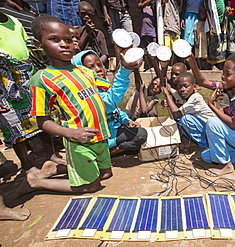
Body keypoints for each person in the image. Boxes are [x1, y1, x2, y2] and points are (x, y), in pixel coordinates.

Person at [20, 15, 112, 195]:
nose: (64, 44)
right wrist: (71, 133)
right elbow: (42, 121)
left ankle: (55, 169)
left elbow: (111, 92)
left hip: (100, 136)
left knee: (106, 174)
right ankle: (36, 183)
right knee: (91, 186)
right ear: (39, 45)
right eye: (55, 40)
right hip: (77, 139)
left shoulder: (84, 71)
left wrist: (125, 68)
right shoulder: (42, 79)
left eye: (69, 40)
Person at [0, 9, 63, 175]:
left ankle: (51, 155)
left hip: (25, 74)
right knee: (12, 121)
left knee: (40, 114)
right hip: (3, 81)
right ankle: (26, 163)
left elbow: (26, 48)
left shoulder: (13, 21)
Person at [186, 52, 235, 176]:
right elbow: (202, 81)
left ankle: (226, 165)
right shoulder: (227, 86)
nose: (223, 76)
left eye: (227, 74)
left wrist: (211, 105)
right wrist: (191, 60)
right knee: (206, 156)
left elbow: (233, 124)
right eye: (223, 73)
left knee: (213, 122)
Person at [72, 50, 147, 154]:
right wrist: (124, 70)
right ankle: (106, 153)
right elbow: (111, 101)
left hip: (108, 126)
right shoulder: (86, 91)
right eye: (90, 67)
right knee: (141, 134)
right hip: (98, 136)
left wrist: (127, 121)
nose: (98, 69)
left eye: (99, 65)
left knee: (126, 113)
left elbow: (114, 110)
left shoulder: (101, 86)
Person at [162, 71, 214, 149]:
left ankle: (203, 146)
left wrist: (167, 95)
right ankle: (192, 142)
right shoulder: (186, 96)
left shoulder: (196, 97)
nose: (182, 89)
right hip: (204, 129)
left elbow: (177, 114)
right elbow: (172, 91)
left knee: (185, 119)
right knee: (177, 120)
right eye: (179, 86)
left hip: (211, 130)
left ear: (194, 87)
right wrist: (165, 87)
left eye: (186, 86)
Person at [204, 0, 227, 70]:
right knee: (213, 45)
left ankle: (220, 63)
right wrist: (210, 25)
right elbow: (207, 9)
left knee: (221, 45)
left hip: (222, 21)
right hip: (213, 23)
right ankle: (212, 65)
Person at [194, 5, 208, 69]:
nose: (202, 14)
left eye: (204, 13)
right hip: (199, 39)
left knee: (205, 54)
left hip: (205, 40)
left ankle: (206, 66)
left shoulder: (207, 22)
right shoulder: (197, 22)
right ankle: (200, 66)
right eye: (201, 12)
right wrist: (195, 40)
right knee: (198, 54)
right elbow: (195, 31)